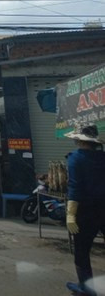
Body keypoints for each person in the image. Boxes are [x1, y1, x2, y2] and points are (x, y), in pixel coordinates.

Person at [64, 125, 105, 295]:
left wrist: (71, 214)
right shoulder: (103, 157)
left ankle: (87, 288)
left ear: (79, 140)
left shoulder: (76, 159)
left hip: (85, 211)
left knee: (82, 251)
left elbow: (75, 187)